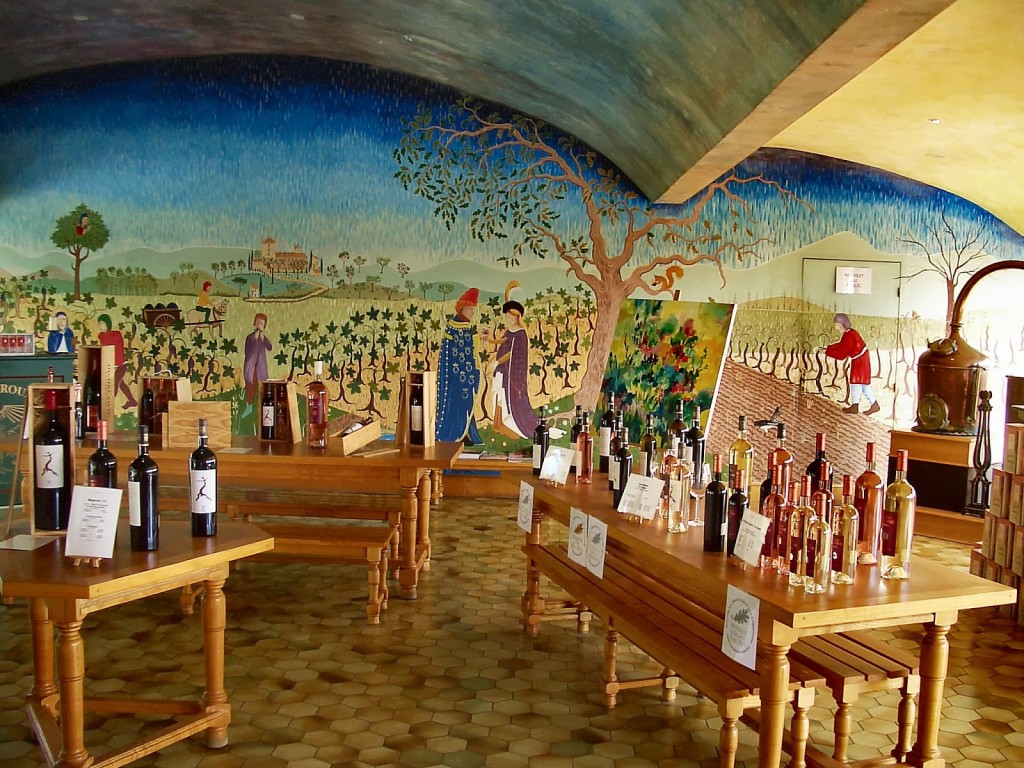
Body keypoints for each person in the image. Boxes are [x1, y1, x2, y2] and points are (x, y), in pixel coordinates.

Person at [488, 282, 539, 440]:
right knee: (498, 394)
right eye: (506, 315)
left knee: (506, 394)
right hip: (503, 368)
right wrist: (489, 339)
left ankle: (508, 424)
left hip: (512, 370)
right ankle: (497, 424)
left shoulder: (521, 334)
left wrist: (496, 362)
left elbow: (512, 353)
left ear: (516, 315)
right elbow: (502, 342)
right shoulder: (510, 330)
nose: (507, 318)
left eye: (509, 315)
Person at [435, 288, 483, 444]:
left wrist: (478, 337)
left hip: (462, 375)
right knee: (459, 404)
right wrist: (476, 338)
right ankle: (457, 433)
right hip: (457, 377)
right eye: (470, 310)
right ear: (463, 308)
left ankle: (467, 433)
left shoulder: (463, 325)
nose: (472, 313)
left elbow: (468, 344)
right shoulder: (455, 325)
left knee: (466, 404)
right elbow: (461, 348)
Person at [824, 312, 880, 415]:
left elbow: (841, 355)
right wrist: (829, 348)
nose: (836, 328)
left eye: (837, 325)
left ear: (842, 324)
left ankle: (868, 405)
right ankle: (862, 405)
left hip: (860, 360)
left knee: (860, 382)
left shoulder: (849, 335)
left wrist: (827, 352)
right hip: (860, 359)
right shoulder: (849, 333)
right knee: (859, 382)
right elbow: (842, 346)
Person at [97, 313, 137, 407]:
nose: (100, 326)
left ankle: (107, 404)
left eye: (102, 324)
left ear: (108, 324)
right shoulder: (101, 336)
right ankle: (132, 401)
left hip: (120, 365)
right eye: (99, 324)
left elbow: (110, 346)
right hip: (111, 365)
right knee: (121, 384)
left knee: (114, 384)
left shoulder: (116, 335)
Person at [242, 312, 272, 418]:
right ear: (254, 323)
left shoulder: (263, 338)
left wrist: (263, 339)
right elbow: (246, 351)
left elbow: (270, 347)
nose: (259, 325)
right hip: (251, 367)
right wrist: (255, 339)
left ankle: (261, 408)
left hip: (261, 368)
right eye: (258, 322)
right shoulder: (250, 337)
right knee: (250, 385)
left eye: (262, 323)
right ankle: (249, 406)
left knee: (261, 387)